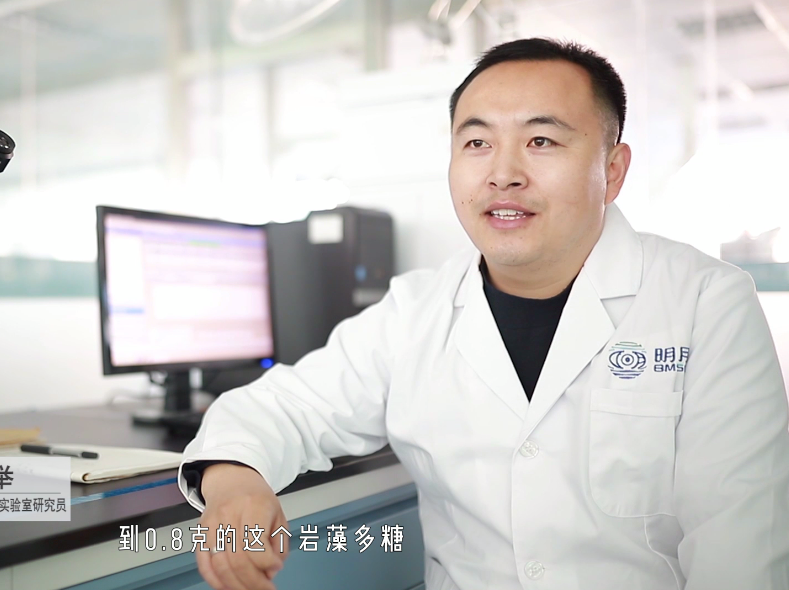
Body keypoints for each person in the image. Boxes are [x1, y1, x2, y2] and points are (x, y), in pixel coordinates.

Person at [176, 37, 789, 590]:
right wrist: (234, 486)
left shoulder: (706, 302)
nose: (503, 174)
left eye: (541, 141)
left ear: (613, 169)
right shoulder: (415, 311)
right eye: (477, 143)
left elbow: (741, 553)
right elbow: (276, 408)